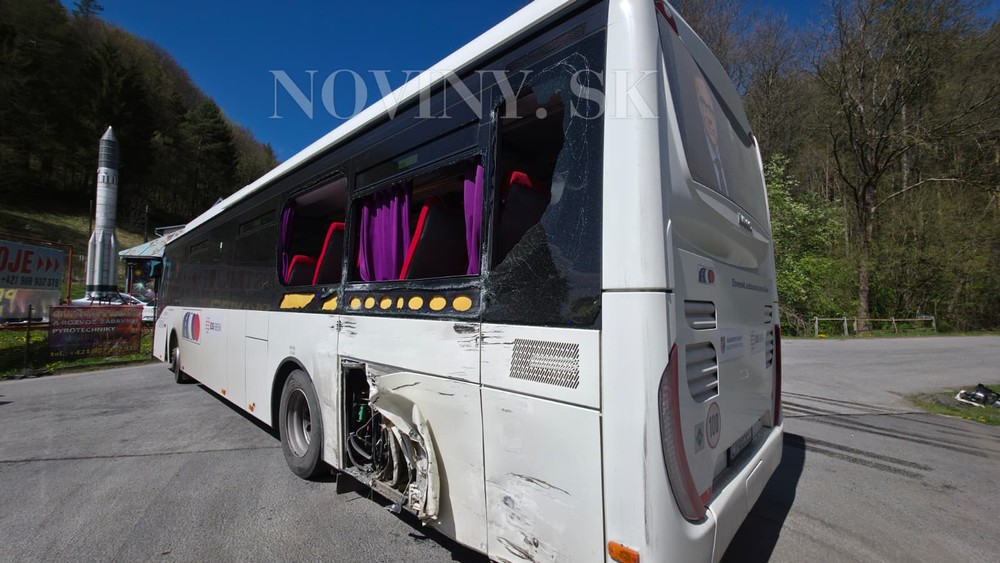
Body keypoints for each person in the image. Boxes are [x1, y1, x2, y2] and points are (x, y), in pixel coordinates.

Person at [694, 74, 729, 197]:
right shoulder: (694, 160)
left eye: (712, 111)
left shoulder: (732, 168)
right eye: (704, 107)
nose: (709, 118)